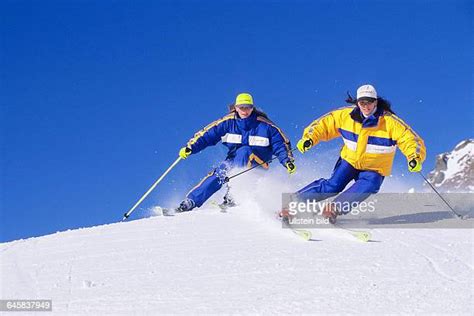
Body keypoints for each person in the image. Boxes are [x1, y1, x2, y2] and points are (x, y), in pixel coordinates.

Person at [291, 84, 426, 223]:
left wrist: (414, 157)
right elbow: (323, 124)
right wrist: (309, 139)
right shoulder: (345, 116)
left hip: (375, 168)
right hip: (349, 161)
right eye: (362, 103)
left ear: (376, 102)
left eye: (370, 102)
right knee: (333, 185)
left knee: (370, 185)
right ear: (358, 103)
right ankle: (293, 204)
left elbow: (410, 139)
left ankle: (332, 209)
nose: (366, 107)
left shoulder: (390, 122)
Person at [175, 92, 296, 213]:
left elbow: (280, 145)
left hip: (258, 164)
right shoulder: (228, 122)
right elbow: (208, 135)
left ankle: (234, 195)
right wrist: (191, 147)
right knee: (220, 172)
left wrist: (287, 161)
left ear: (252, 108)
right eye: (241, 107)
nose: (244, 110)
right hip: (234, 160)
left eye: (247, 107)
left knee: (244, 151)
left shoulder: (265, 126)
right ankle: (191, 201)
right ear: (236, 108)